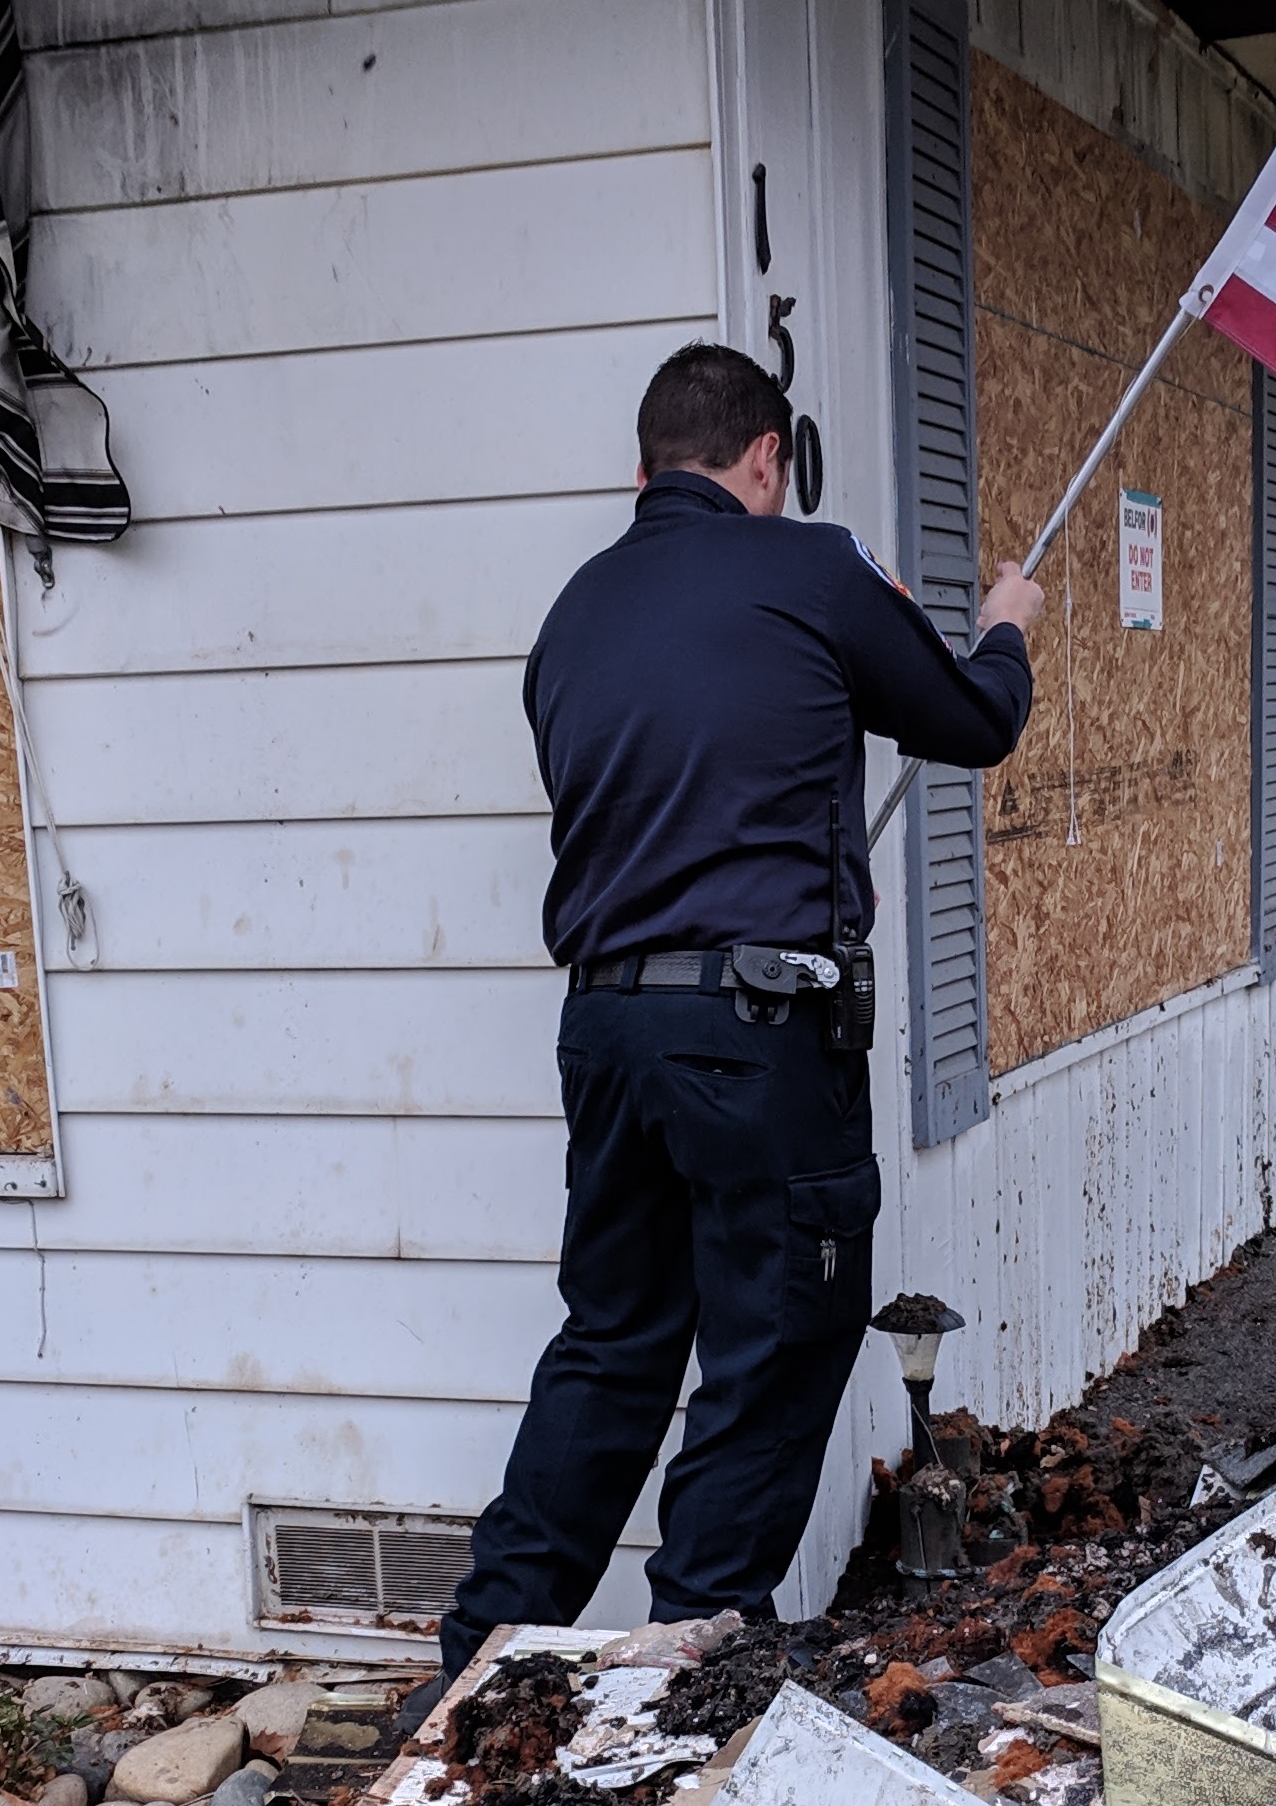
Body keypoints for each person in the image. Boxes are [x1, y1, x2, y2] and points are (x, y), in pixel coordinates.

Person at [428, 339, 1045, 1691]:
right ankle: (691, 1661)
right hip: (756, 1040)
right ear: (767, 458)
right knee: (776, 1340)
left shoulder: (577, 611)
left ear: (644, 469)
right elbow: (971, 719)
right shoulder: (810, 566)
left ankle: (477, 1665)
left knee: (615, 1342)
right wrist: (1007, 623)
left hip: (607, 1031)